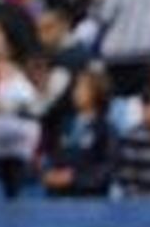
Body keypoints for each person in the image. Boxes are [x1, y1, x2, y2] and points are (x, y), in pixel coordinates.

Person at [0, 17, 42, 198]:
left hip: (17, 155)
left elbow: (35, 108)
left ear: (9, 41)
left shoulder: (26, 75)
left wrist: (5, 107)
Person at [42, 68, 116, 197]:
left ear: (96, 92)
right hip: (60, 202)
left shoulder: (105, 129)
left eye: (81, 87)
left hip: (90, 203)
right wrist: (50, 174)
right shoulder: (65, 124)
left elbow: (108, 169)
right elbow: (54, 156)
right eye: (76, 87)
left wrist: (75, 179)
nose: (75, 92)